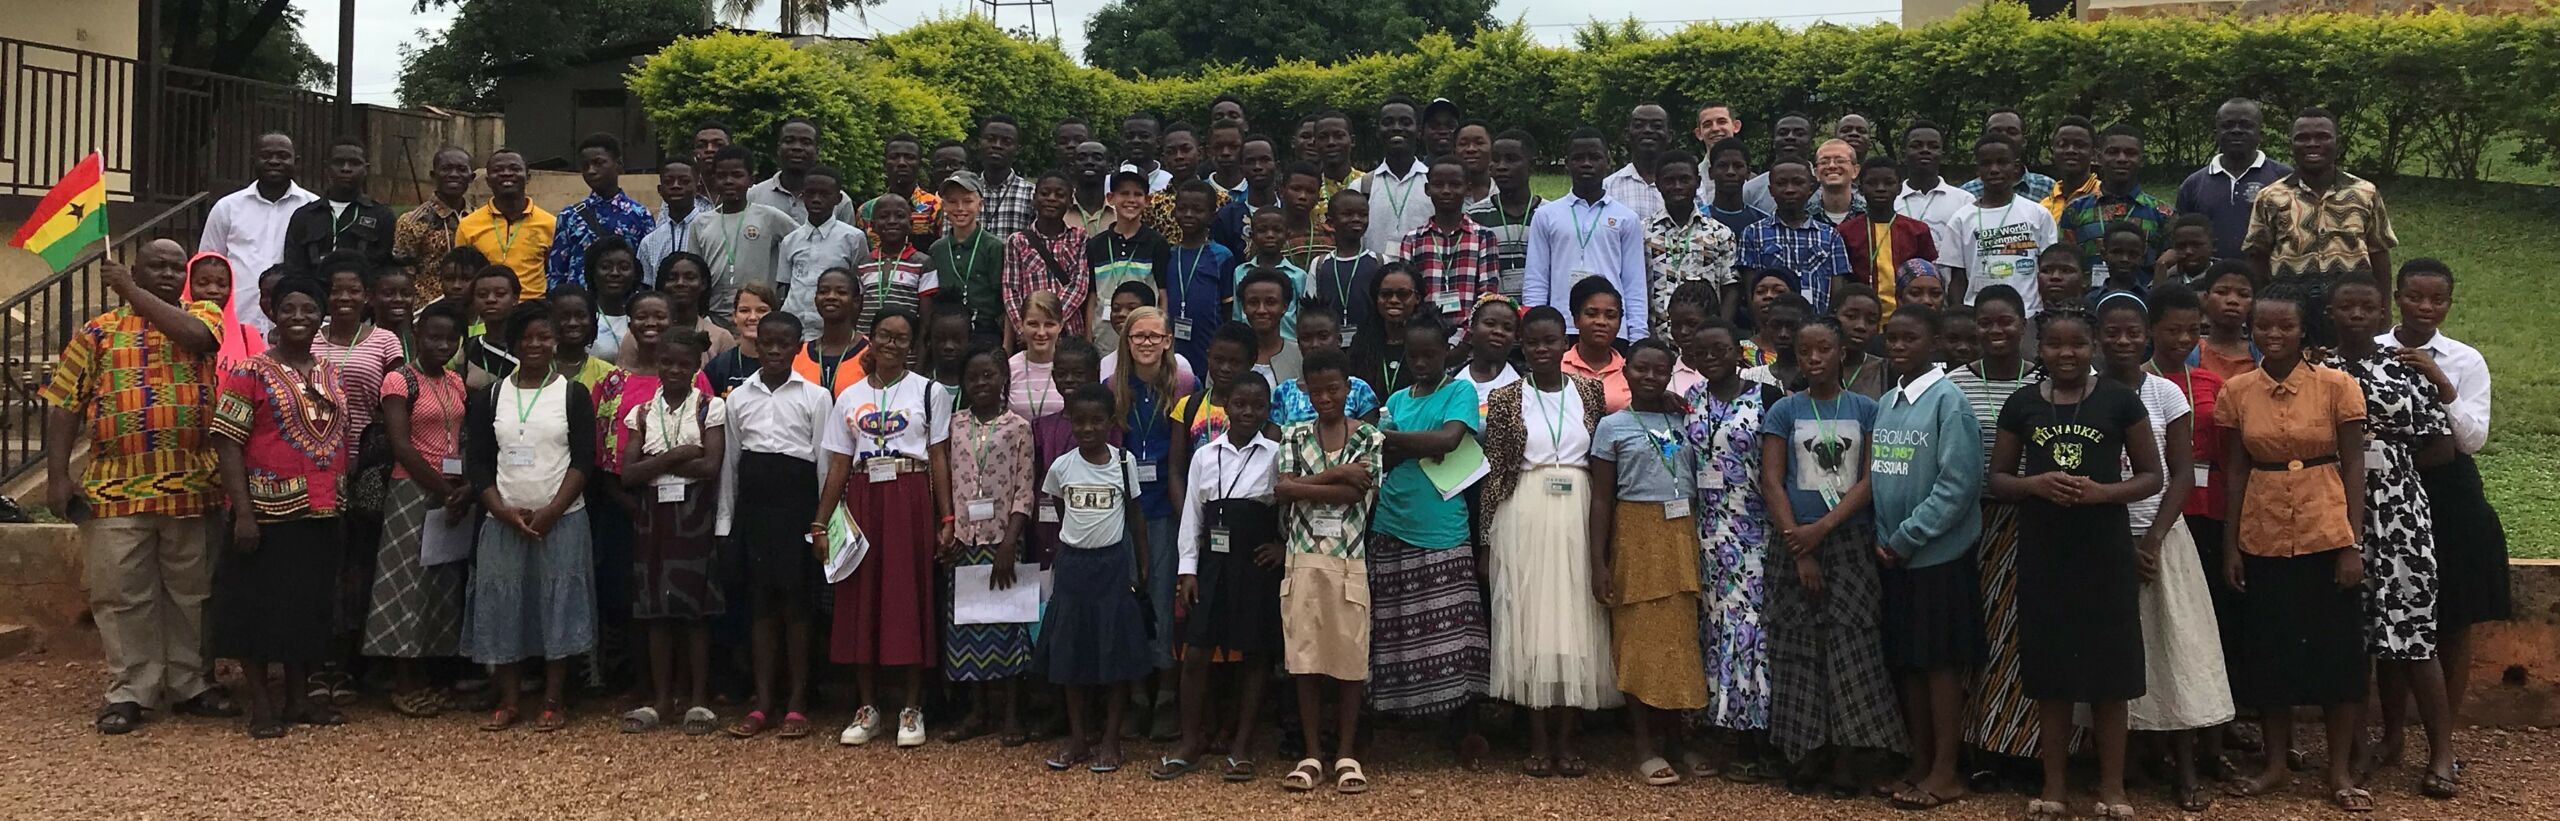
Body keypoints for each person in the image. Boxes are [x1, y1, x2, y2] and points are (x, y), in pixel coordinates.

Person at [43, 242, 237, 735]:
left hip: (192, 485)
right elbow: (65, 404)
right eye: (157, 266)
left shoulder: (203, 314)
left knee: (192, 593)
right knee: (122, 595)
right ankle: (131, 690)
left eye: (176, 266)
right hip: (115, 489)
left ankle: (191, 684)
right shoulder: (96, 332)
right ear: (136, 269)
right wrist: (57, 474)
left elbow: (196, 338)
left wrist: (130, 291)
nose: (169, 273)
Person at [1989, 305, 2161, 821]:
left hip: (2105, 550)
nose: (2067, 353)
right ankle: (2054, 787)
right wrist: (2035, 485)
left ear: (2095, 348)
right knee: (2053, 673)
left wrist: (2103, 493)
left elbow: (2152, 476)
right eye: (2055, 344)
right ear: (2038, 349)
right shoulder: (2022, 404)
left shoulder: (2119, 400)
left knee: (2111, 673)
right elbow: (1998, 479)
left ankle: (2112, 787)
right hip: (2045, 551)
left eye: (2078, 344)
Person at [2215, 285, 2374, 812]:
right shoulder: (2238, 391)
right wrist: (2232, 545)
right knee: (2271, 654)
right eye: (2264, 326)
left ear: (2304, 329)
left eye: (2285, 326)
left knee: (2338, 657)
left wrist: (2352, 542)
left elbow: (2354, 465)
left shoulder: (2337, 386)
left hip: (2325, 532)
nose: (2274, 335)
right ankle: (2275, 764)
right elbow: (2235, 471)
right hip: (2262, 534)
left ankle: (2339, 771)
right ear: (2251, 329)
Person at [2321, 274, 2463, 799]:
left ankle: (2442, 753)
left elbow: (2442, 446)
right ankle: (2357, 750)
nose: (2357, 315)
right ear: (2331, 313)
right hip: (2334, 508)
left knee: (2414, 633)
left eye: (2368, 307)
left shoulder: (2405, 369)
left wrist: (2392, 465)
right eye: (2347, 307)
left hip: (2402, 515)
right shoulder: (2317, 369)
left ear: (2382, 314)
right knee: (2349, 638)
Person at [2094, 294, 2235, 813]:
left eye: (2132, 332)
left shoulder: (2166, 394)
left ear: (2146, 335)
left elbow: (2180, 475)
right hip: (2103, 541)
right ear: (2098, 336)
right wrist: (2116, 542)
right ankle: (2126, 761)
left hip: (2162, 538)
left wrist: (2152, 539)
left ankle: (2186, 766)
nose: (2123, 341)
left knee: (2176, 649)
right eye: (2113, 332)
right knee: (2120, 654)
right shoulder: (2086, 390)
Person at [1754, 317, 1898, 795]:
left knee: (1852, 646)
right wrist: (1799, 544)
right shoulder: (1785, 410)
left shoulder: (1866, 409)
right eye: (1805, 351)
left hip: (1848, 539)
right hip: (1795, 541)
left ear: (1841, 354)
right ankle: (1805, 749)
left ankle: (1847, 756)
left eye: (1824, 350)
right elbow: (1772, 480)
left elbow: (1871, 479)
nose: (1814, 359)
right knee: (1798, 645)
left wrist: (1824, 529)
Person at [208, 274, 349, 739]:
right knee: (256, 607)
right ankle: (262, 706)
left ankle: (298, 699)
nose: (298, 317)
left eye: (308, 309)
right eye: (289, 308)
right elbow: (227, 441)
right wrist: (243, 513)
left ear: (321, 316)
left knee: (306, 607)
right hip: (267, 513)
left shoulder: (329, 372)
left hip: (322, 510)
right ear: (272, 313)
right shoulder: (251, 371)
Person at [1479, 306, 1617, 776]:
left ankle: (1569, 739)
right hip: (1525, 508)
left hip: (1578, 507)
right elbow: (1496, 472)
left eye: (1550, 341)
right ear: (1522, 345)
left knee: (1577, 620)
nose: (1542, 349)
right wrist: (1486, 540)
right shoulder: (1505, 399)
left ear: (1565, 343)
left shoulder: (1590, 392)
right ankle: (1538, 741)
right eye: (1533, 342)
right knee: (1531, 621)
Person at [813, 308, 953, 748]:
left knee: (908, 598)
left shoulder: (929, 392)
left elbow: (939, 457)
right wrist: (820, 521)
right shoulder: (849, 395)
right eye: (884, 335)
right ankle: (868, 706)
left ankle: (911, 707)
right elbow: (839, 462)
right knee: (862, 599)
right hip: (863, 497)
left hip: (909, 496)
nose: (892, 344)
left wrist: (946, 516)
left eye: (902, 338)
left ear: (913, 345)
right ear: (869, 339)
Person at [2382, 260, 2505, 760]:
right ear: (2397, 297)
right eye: (2415, 297)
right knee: (2391, 614)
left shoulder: (2464, 360)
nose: (2426, 308)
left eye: (2438, 300)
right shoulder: (2374, 351)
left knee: (2453, 618)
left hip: (2450, 494)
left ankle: (2443, 743)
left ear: (2450, 304)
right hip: (2389, 489)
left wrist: (2441, 383)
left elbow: (2472, 439)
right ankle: (2391, 736)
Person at [1865, 306, 1986, 810]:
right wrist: (1885, 538)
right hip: (1896, 556)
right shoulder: (1889, 401)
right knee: (1910, 663)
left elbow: (1958, 485)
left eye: (1909, 338)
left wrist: (1908, 537)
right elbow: (1880, 475)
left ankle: (1946, 771)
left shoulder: (1949, 402)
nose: (1898, 346)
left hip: (1936, 555)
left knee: (1939, 665)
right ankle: (1918, 762)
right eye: (1891, 338)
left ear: (1934, 343)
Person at [460, 302, 598, 732]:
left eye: (544, 336)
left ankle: (553, 700)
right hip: (503, 520)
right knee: (504, 605)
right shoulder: (492, 396)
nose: (535, 344)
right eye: (526, 338)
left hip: (562, 519)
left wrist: (553, 510)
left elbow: (584, 460)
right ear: (514, 343)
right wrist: (499, 509)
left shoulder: (572, 394)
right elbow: (479, 461)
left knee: (557, 605)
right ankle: (509, 699)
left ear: (555, 341)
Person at [1365, 313, 1492, 750]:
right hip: (1392, 518)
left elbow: (1449, 440)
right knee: (1398, 624)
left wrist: (1399, 441)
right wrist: (1416, 442)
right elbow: (1381, 452)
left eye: (1430, 355)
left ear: (1446, 353)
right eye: (1413, 356)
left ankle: (1464, 725)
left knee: (1454, 627)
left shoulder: (1460, 391)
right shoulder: (1397, 398)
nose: (1421, 363)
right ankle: (1407, 717)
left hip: (1442, 521)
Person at [1589, 339, 1710, 786]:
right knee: (1637, 640)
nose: (1651, 377)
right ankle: (1642, 745)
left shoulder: (1685, 418)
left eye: (1660, 370)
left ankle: (1676, 741)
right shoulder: (1612, 426)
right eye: (1641, 369)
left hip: (1680, 532)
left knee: (1679, 642)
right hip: (1635, 534)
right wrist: (1599, 562)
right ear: (1626, 372)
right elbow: (1602, 499)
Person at [1272, 349, 1386, 794]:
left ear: (1348, 388)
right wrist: (1339, 473)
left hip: (1348, 560)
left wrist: (1303, 486)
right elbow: (1282, 490)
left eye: (1333, 389)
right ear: (1305, 391)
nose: (1325, 398)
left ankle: (1346, 753)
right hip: (1302, 561)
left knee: (1350, 659)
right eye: (1316, 391)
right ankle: (1312, 754)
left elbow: (1356, 496)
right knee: (1305, 660)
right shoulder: (1294, 434)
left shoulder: (1370, 437)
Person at [717, 311, 834, 740]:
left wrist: (822, 524)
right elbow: (730, 465)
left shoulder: (816, 397)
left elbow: (824, 465)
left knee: (797, 607)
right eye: (767, 342)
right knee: (761, 606)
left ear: (798, 347)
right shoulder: (738, 398)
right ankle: (763, 702)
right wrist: (725, 524)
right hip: (755, 510)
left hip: (797, 508)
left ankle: (798, 701)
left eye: (784, 344)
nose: (774, 350)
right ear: (756, 343)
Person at [1682, 315, 1785, 778]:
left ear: (1738, 352)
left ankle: (1758, 740)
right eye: (1701, 353)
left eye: (1719, 350)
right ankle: (1727, 728)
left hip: (1754, 531)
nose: (1710, 359)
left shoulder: (1767, 397)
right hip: (1706, 532)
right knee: (1718, 628)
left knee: (1751, 631)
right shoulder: (1690, 399)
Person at [1951, 285, 2048, 776]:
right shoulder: (1953, 384)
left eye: (2006, 321)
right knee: (1983, 631)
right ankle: (1982, 744)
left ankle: (2033, 750)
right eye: (1985, 322)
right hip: (1974, 522)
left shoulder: (2047, 381)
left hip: (2037, 521)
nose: (1996, 331)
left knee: (2030, 633)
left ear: (2024, 325)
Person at [1034, 383, 1155, 773]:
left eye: (1096, 421)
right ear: (1070, 421)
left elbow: (1135, 517)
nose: (1088, 429)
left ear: (1110, 423)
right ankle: (1078, 739)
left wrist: (1143, 564)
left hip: (1112, 568)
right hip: (1073, 568)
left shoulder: (1123, 462)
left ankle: (1111, 740)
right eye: (1080, 421)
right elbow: (1060, 508)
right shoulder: (1062, 466)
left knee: (1114, 654)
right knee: (1071, 655)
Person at [615, 329, 727, 735]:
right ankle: (661, 699)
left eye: (683, 364)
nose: (675, 370)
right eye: (667, 362)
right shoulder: (642, 413)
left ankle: (697, 698)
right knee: (656, 609)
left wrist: (655, 463)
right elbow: (628, 474)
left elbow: (710, 466)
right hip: (654, 515)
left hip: (694, 513)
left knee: (694, 610)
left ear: (696, 367)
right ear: (657, 364)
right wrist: (678, 455)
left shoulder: (710, 407)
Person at [363, 299, 469, 718]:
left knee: (439, 583)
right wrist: (444, 489)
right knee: (406, 581)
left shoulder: (455, 381)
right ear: (417, 336)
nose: (442, 345)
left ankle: (427, 673)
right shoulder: (399, 380)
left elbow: (460, 436)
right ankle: (403, 680)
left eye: (450, 339)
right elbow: (402, 445)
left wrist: (460, 489)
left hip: (451, 491)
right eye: (433, 337)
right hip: (412, 489)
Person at [941, 344, 1037, 744]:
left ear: (1003, 379)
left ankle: (1012, 714)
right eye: (973, 377)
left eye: (988, 376)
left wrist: (1010, 543)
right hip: (965, 540)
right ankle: (978, 711)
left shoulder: (1019, 427)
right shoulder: (954, 424)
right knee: (969, 626)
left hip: (1002, 540)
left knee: (1008, 625)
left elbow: (1024, 489)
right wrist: (949, 529)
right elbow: (946, 480)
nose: (981, 383)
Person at [2243, 108, 2394, 346]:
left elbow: (2379, 253)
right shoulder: (2270, 196)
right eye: (2303, 138)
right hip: (2291, 311)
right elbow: (2257, 258)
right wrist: (2258, 311)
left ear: (2337, 143)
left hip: (2351, 310)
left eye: (2322, 137)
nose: (2313, 144)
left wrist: (2384, 313)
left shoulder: (2365, 193)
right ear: (2291, 145)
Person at [1109, 306, 1188, 733]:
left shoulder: (1183, 385)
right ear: (1126, 341)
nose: (1145, 343)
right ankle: (1137, 694)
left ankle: (1167, 695)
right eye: (1137, 336)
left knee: (1163, 597)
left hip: (1165, 507)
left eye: (1154, 336)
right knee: (1129, 596)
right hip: (1123, 510)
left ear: (1168, 341)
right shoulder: (1113, 387)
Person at [1526, 128, 1651, 340]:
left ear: (1608, 162)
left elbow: (1634, 283)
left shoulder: (1626, 218)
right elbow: (1536, 279)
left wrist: (1637, 335)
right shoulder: (1545, 215)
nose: (1586, 164)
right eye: (1578, 158)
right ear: (1567, 163)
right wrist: (1535, 327)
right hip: (1561, 327)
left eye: (1594, 157)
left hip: (1611, 328)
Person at [201, 132, 318, 330]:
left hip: (294, 325)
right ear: (253, 160)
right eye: (266, 155)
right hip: (236, 321)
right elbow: (208, 264)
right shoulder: (227, 207)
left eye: (283, 156)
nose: (274, 161)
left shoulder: (313, 208)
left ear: (296, 161)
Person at [1944, 137, 2060, 315]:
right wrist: (1959, 317)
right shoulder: (1961, 219)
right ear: (1978, 170)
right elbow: (1957, 279)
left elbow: (2048, 268)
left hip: (2029, 313)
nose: (1994, 170)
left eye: (2002, 162)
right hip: (1978, 316)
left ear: (2016, 167)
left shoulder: (2038, 214)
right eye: (1986, 164)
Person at [689, 146, 797, 324]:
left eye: (737, 175)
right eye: (722, 176)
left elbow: (800, 244)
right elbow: (695, 271)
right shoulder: (701, 223)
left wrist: (785, 286)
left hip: (759, 315)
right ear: (714, 179)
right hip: (714, 316)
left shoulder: (768, 217)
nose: (729, 181)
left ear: (750, 180)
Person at [2175, 98, 2290, 262]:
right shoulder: (2193, 184)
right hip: (2211, 276)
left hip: (2268, 274)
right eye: (2227, 125)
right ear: (2216, 134)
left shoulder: (2284, 178)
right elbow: (2181, 238)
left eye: (2246, 125)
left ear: (2261, 134)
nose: (2236, 131)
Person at [2059, 125, 2176, 282]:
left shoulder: (2162, 214)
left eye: (2130, 153)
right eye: (2113, 152)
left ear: (2142, 160)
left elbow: (2172, 265)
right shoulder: (2075, 210)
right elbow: (2065, 261)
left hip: (2143, 296)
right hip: (2089, 296)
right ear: (2098, 157)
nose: (2121, 159)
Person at [1646, 150, 1739, 338]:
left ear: (1697, 182)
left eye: (1684, 180)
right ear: (1658, 184)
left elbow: (1730, 288)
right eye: (1669, 181)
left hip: (1705, 340)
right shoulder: (1643, 232)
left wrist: (1720, 330)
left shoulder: (1719, 233)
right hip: (1655, 338)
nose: (1677, 186)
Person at [1739, 160, 1852, 315]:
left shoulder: (1830, 235)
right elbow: (1750, 290)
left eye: (1798, 183)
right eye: (1781, 183)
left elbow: (1837, 289)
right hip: (1770, 323)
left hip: (1817, 323)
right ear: (1771, 190)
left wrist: (1828, 324)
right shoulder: (1753, 233)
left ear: (1811, 188)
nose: (1790, 190)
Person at [546, 133, 655, 292]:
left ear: (618, 164)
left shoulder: (640, 215)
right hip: (580, 303)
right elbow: (556, 272)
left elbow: (647, 270)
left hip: (625, 302)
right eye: (585, 166)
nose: (591, 171)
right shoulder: (569, 216)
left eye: (598, 163)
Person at [1404, 159, 1502, 329]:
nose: (1446, 191)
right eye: (1438, 185)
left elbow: (1488, 293)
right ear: (1427, 189)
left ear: (1468, 189)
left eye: (1455, 185)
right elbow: (1407, 292)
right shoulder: (1413, 240)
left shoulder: (1484, 237)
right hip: (1424, 335)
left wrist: (1469, 334)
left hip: (1470, 335)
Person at [278, 138, 396, 278]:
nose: (346, 169)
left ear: (366, 169)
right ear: (326, 168)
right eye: (338, 162)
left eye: (355, 163)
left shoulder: (382, 217)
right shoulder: (304, 216)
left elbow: (385, 270)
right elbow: (293, 267)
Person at [1839, 157, 1939, 316]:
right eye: (1872, 183)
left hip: (1908, 316)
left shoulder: (1917, 230)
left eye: (1888, 183)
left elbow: (1928, 276)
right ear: (1861, 188)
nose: (1880, 188)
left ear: (1899, 188)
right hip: (1861, 317)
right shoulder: (1845, 231)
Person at [780, 165, 871, 338]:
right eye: (811, 193)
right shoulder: (790, 240)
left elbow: (860, 285)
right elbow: (785, 286)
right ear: (803, 196)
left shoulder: (853, 238)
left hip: (832, 329)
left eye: (824, 194)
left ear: (838, 198)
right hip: (795, 330)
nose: (816, 199)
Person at [1004, 170, 1093, 344]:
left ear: (1070, 201)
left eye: (1060, 195)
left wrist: (1052, 322)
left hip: (1069, 332)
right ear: (1034, 198)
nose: (1051, 198)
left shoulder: (1079, 238)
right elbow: (1010, 290)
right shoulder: (1018, 241)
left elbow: (1079, 285)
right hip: (1029, 336)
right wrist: (1024, 327)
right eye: (1045, 193)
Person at [457, 149, 557, 301]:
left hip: (533, 308)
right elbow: (463, 275)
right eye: (498, 170)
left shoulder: (550, 224)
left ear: (528, 177)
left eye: (514, 169)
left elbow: (554, 273)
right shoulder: (468, 225)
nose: (506, 173)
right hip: (488, 306)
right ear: (488, 181)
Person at [1087, 171, 1170, 349]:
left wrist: (1161, 332)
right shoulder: (1096, 244)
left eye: (1138, 194)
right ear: (1110, 198)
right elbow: (1092, 296)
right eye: (1124, 193)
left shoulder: (1157, 243)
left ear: (1147, 200)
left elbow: (1162, 294)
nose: (1131, 200)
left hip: (1144, 338)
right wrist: (1088, 337)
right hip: (1103, 337)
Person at [1271, 301, 1380, 425]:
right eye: (1306, 338)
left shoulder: (1359, 389)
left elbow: (1369, 433)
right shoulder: (1284, 392)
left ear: (1339, 340)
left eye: (1323, 336)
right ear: (1299, 343)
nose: (1315, 344)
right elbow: (1274, 437)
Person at [1163, 181, 1233, 373]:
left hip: (1208, 347)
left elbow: (1228, 310)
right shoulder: (1168, 254)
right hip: (1170, 347)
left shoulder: (1222, 256)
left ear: (1212, 216)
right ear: (1174, 212)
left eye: (1197, 210)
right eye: (1182, 209)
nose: (1188, 214)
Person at [1466, 130, 1542, 301]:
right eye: (1495, 159)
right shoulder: (1475, 216)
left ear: (1531, 166)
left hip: (1538, 310)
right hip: (1492, 309)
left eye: (1511, 159)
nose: (1501, 166)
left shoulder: (1548, 214)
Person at [853, 191, 942, 335]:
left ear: (911, 224)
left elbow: (926, 314)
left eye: (900, 216)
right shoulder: (863, 264)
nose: (892, 221)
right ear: (873, 226)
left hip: (904, 343)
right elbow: (857, 306)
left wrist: (920, 344)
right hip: (866, 341)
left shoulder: (923, 263)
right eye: (884, 216)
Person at [1353, 96, 1431, 259]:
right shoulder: (1361, 187)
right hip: (1374, 274)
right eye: (1388, 122)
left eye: (1405, 122)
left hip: (1424, 272)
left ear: (1419, 131)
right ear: (1378, 131)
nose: (1396, 128)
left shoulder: (1433, 183)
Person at [932, 171, 1005, 341]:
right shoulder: (937, 250)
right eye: (952, 202)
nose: (960, 208)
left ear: (980, 204)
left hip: (985, 333)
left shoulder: (994, 247)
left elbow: (1002, 299)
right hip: (947, 335)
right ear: (944, 206)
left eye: (967, 201)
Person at [394, 146, 473, 303]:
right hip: (426, 307)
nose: (454, 175)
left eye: (461, 169)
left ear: (471, 177)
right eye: (446, 169)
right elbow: (403, 272)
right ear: (433, 175)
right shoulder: (412, 222)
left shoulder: (479, 220)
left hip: (471, 307)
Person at [748, 118, 858, 226]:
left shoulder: (840, 202)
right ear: (778, 148)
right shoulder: (754, 196)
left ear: (817, 151)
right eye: (789, 141)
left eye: (806, 142)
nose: (797, 147)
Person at [1309, 189, 1381, 345]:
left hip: (1371, 345)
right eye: (1347, 214)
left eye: (1363, 215)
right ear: (1330, 222)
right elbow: (1311, 311)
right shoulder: (1320, 264)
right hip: (1330, 346)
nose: (1356, 219)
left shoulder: (1379, 262)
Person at [1344, 265, 1422, 397]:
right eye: (1385, 294)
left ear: (1417, 298)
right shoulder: (1362, 343)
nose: (1393, 300)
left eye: (1403, 294)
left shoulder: (1427, 343)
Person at [856, 134, 943, 248]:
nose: (902, 163)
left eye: (910, 157)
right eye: (894, 157)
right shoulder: (867, 211)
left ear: (920, 164)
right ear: (885, 163)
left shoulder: (936, 207)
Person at [1562, 277, 1632, 411]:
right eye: (1592, 314)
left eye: (1610, 316)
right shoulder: (1557, 368)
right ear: (1576, 319)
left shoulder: (1630, 372)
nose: (1601, 322)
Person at [652, 253, 739, 362]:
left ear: (703, 284)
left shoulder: (721, 338)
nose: (680, 283)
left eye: (690, 277)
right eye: (672, 278)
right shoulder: (647, 333)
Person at [1962, 108, 2060, 202]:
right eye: (1995, 132)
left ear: (2024, 141)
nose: (2003, 136)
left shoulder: (2047, 187)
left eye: (2012, 132)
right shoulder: (1967, 193)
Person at [1211, 133, 1285, 257]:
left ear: (1277, 166)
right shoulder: (1227, 217)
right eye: (1250, 161)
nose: (1257, 167)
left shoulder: (1291, 212)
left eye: (1265, 160)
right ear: (1241, 169)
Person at [637, 158, 706, 287]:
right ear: (660, 190)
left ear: (698, 188)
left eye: (684, 181)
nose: (676, 186)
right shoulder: (649, 242)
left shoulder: (710, 231)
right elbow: (646, 285)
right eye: (668, 182)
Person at [1602, 103, 1675, 221]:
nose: (1647, 130)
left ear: (1669, 136)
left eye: (1656, 126)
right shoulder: (1607, 188)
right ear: (1627, 134)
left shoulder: (1687, 187)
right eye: (1639, 125)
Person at [974, 116, 1038, 249]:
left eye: (1006, 142)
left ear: (1018, 149)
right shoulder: (966, 192)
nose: (997, 145)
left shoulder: (1032, 194)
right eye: (990, 139)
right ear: (979, 143)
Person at [1007, 290, 1070, 419]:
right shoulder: (1008, 369)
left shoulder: (1071, 369)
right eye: (1033, 324)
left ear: (1060, 326)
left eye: (1049, 324)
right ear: (1021, 324)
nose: (1041, 333)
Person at [2194, 262, 2261, 381]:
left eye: (2243, 294)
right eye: (2222, 292)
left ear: (2253, 304)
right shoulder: (2189, 353)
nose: (2232, 300)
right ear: (2206, 299)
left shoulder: (2263, 355)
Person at [1739, 114, 1814, 216]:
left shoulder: (1824, 186)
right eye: (1783, 133)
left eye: (1799, 134)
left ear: (1811, 142)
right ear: (1773, 141)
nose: (1790, 137)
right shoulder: (1751, 189)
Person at [585, 238, 643, 363]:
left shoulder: (644, 318)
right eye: (606, 267)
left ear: (634, 273)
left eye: (624, 267)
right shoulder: (583, 319)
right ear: (592, 272)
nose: (615, 273)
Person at [1702, 138, 1769, 243]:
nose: (1730, 172)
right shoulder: (1700, 218)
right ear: (1711, 172)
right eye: (1722, 165)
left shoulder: (1764, 222)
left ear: (1748, 172)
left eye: (1738, 166)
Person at [1830, 284, 1889, 399]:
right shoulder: (1811, 365)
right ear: (1832, 317)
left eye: (1871, 321)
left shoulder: (1886, 371)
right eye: (1851, 316)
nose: (1861, 326)